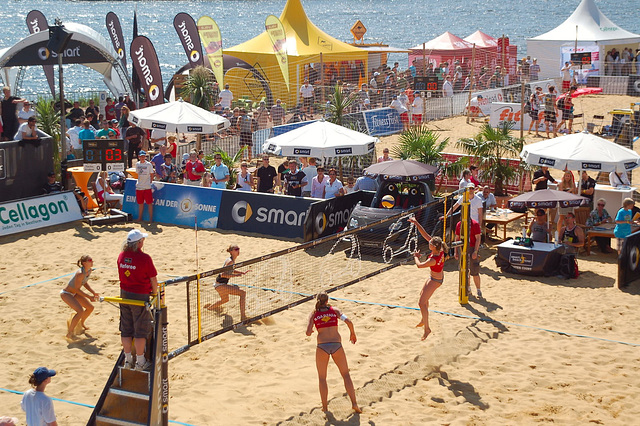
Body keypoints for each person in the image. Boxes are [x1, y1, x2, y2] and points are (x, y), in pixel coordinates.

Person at [305, 292, 361, 414]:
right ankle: (354, 403)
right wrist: (352, 333)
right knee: (346, 375)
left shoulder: (314, 314)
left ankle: (325, 407)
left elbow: (308, 332)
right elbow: (349, 321)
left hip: (322, 347)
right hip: (336, 345)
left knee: (322, 378)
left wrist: (313, 329)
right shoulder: (334, 311)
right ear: (327, 300)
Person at [118, 229, 157, 371]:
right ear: (139, 243)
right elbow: (153, 279)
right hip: (139, 295)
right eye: (142, 240)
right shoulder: (145, 258)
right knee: (140, 330)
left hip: (124, 294)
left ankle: (128, 360)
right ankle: (140, 362)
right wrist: (155, 293)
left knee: (126, 329)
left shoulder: (121, 256)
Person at [409, 216, 447, 340]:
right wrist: (416, 223)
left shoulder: (432, 260)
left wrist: (415, 256)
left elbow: (419, 265)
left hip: (435, 281)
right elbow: (425, 235)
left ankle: (427, 329)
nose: (428, 242)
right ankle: (423, 319)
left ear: (433, 247)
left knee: (421, 303)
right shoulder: (439, 247)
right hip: (435, 278)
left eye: (430, 243)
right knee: (423, 297)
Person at [204, 244, 248, 321]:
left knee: (225, 300)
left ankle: (209, 309)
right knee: (243, 293)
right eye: (236, 249)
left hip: (219, 284)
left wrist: (240, 272)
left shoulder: (231, 260)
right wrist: (236, 275)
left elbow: (230, 270)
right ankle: (243, 317)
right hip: (220, 285)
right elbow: (223, 274)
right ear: (231, 251)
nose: (238, 251)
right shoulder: (230, 261)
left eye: (238, 249)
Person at [60, 254, 99, 340]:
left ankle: (81, 324)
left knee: (90, 308)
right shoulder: (80, 273)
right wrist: (89, 296)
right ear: (84, 263)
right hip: (67, 293)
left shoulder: (89, 270)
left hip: (74, 293)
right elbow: (77, 289)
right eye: (90, 260)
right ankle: (69, 333)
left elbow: (84, 283)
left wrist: (93, 292)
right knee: (80, 311)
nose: (92, 261)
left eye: (92, 260)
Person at [455, 217, 483, 298]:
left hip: (472, 248)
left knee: (475, 271)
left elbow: (478, 239)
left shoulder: (475, 224)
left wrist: (475, 251)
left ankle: (478, 290)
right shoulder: (459, 224)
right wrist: (456, 251)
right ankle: (468, 288)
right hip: (462, 248)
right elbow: (457, 238)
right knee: (464, 271)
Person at [135, 151, 154, 222]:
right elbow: (137, 174)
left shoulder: (148, 164)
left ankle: (151, 219)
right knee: (140, 203)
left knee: (149, 203)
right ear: (139, 157)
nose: (142, 158)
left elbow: (152, 174)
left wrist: (150, 182)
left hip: (147, 186)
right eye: (141, 156)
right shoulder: (137, 164)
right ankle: (140, 218)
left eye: (143, 156)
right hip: (139, 186)